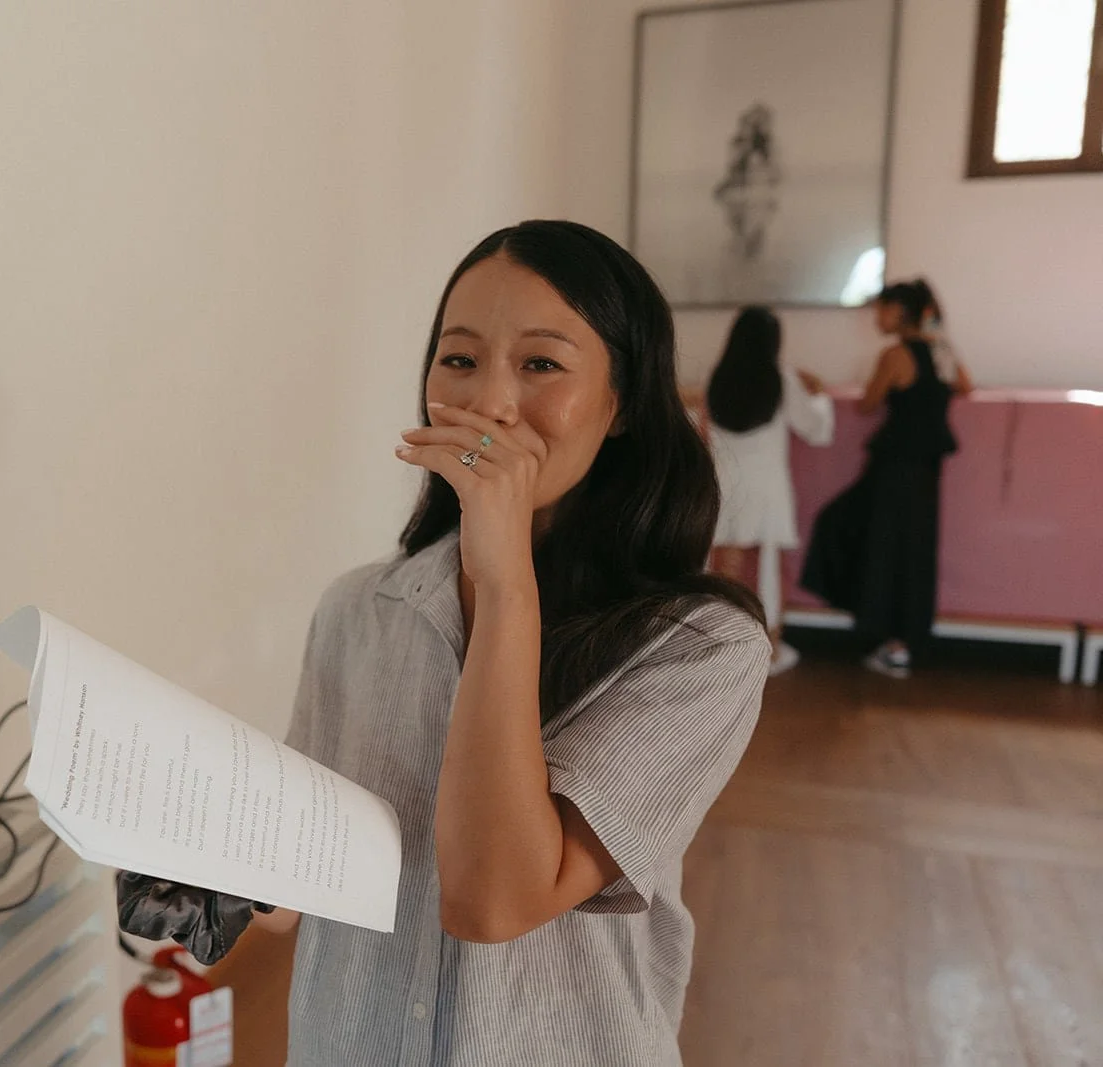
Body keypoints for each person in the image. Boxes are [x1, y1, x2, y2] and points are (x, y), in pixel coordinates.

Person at [118, 220, 770, 1066]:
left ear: (621, 405)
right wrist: (198, 851)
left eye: (541, 364)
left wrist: (504, 586)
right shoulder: (359, 609)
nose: (488, 402)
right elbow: (307, 877)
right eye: (459, 358)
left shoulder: (701, 649)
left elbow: (493, 902)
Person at [801, 279, 971, 678]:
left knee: (869, 541)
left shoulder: (895, 354)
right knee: (913, 553)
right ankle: (904, 643)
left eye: (881, 309)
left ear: (898, 311)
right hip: (927, 470)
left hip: (894, 467)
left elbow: (867, 404)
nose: (877, 317)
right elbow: (964, 386)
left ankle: (889, 640)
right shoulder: (941, 351)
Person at [705, 306, 834, 675]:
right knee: (767, 570)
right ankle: (770, 647)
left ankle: (717, 644)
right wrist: (820, 394)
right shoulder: (782, 378)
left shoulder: (717, 376)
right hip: (766, 487)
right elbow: (816, 430)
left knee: (722, 567)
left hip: (723, 483)